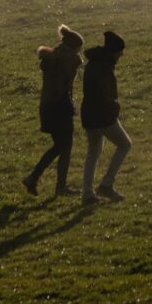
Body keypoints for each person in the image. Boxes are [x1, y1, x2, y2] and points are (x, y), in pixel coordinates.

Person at [23, 25, 83, 197]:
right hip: (61, 109)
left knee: (59, 146)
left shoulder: (53, 59)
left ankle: (34, 178)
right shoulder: (68, 62)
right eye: (79, 48)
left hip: (47, 108)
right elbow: (64, 89)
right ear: (73, 47)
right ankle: (59, 187)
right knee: (65, 146)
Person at [80, 30, 130, 203]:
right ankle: (106, 185)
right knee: (125, 144)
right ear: (113, 51)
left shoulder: (93, 63)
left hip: (88, 115)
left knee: (93, 151)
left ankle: (87, 193)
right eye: (120, 51)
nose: (121, 54)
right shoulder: (104, 67)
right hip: (102, 116)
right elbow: (105, 95)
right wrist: (115, 109)